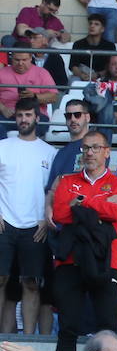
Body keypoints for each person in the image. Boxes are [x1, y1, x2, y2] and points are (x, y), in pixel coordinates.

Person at [0, 99, 56, 338]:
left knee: (32, 283)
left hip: (36, 227)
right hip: (4, 223)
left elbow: (54, 190)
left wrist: (46, 217)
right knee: (0, 280)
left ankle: (29, 340)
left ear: (37, 117)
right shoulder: (3, 146)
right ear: (15, 117)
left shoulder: (50, 152)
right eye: (20, 115)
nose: (24, 119)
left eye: (28, 115)